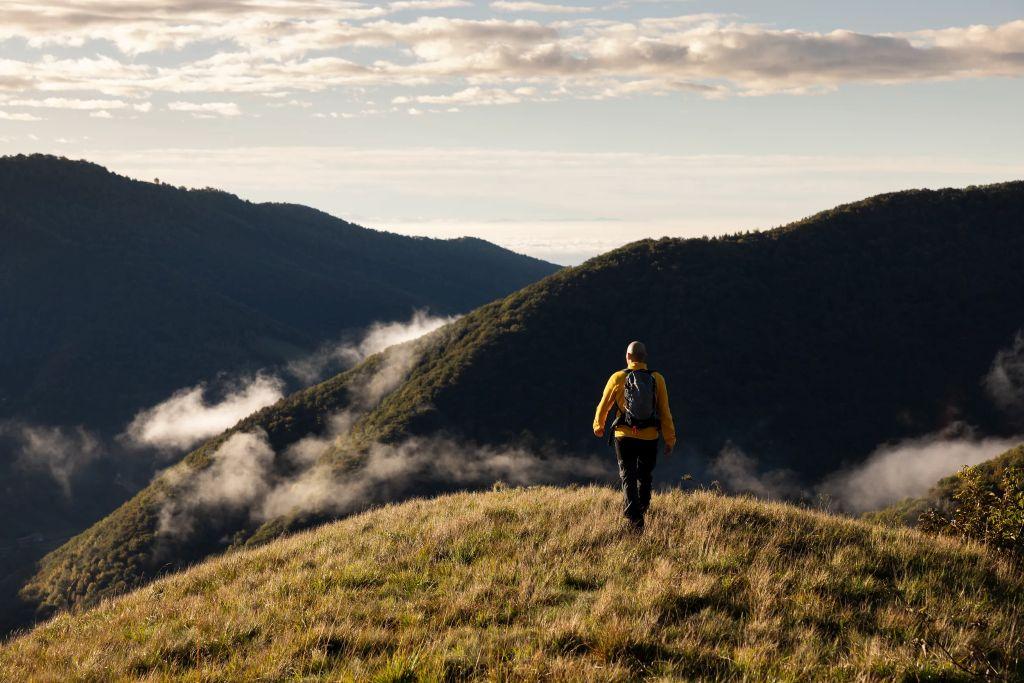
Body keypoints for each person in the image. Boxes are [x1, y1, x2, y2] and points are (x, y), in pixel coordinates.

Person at [593, 341, 676, 531]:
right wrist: (670, 439)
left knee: (627, 476)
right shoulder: (657, 378)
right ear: (644, 357)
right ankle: (643, 507)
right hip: (649, 436)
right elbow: (665, 411)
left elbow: (603, 405)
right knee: (645, 476)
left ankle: (634, 518)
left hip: (624, 436)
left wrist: (598, 426)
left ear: (628, 357)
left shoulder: (618, 377)